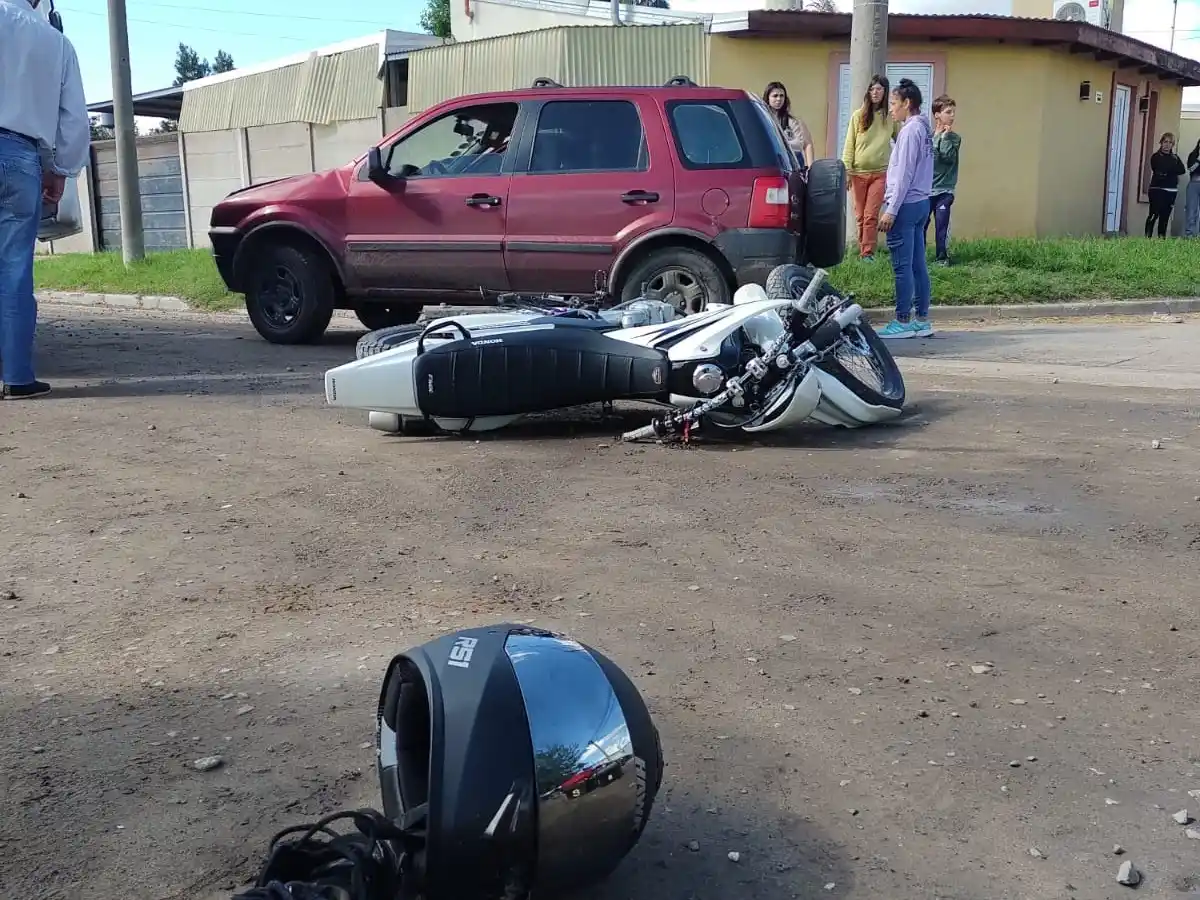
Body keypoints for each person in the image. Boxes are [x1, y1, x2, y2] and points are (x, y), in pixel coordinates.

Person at [0, 0, 89, 399]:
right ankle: (17, 377)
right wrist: (60, 171)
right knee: (14, 270)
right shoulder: (56, 43)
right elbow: (73, 118)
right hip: (21, 159)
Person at [877, 78, 934, 340]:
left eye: (893, 103)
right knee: (917, 264)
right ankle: (922, 319)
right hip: (921, 202)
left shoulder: (910, 132)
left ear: (906, 104)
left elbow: (903, 175)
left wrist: (891, 209)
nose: (891, 109)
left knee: (903, 266)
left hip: (906, 204)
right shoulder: (924, 129)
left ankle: (903, 320)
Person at [841, 74, 896, 262]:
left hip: (879, 173)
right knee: (860, 216)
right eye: (872, 89)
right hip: (858, 174)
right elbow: (849, 144)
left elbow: (902, 139)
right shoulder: (859, 115)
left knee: (871, 215)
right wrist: (847, 170)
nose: (875, 93)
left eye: (879, 89)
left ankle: (867, 253)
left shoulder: (890, 118)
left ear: (885, 92)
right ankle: (862, 248)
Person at [927, 94, 961, 266]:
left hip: (945, 190)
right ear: (937, 115)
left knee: (942, 222)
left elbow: (947, 157)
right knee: (922, 224)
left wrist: (945, 138)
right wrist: (937, 139)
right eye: (948, 112)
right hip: (926, 190)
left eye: (953, 112)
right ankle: (918, 257)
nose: (952, 116)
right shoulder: (928, 136)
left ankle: (942, 257)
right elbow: (931, 158)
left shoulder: (954, 138)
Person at [762, 81, 814, 168]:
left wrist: (811, 169)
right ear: (768, 98)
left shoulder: (793, 121)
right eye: (775, 96)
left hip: (793, 164)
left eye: (781, 96)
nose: (779, 99)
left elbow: (803, 144)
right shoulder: (762, 119)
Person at [1145, 132, 1185, 239]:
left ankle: (1161, 240)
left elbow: (1182, 170)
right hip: (1157, 190)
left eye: (1170, 143)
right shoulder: (1156, 157)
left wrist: (1169, 171)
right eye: (1165, 142)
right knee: (1153, 214)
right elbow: (1158, 169)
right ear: (1161, 143)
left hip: (1171, 191)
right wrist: (1169, 171)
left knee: (1165, 217)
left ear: (1173, 145)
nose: (1167, 145)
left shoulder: (1175, 158)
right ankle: (1147, 239)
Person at [1183, 138, 1200, 238]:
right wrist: (1199, 159)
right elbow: (1190, 168)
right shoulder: (1193, 155)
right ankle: (1189, 235)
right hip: (1194, 184)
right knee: (1191, 210)